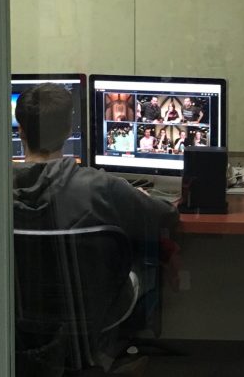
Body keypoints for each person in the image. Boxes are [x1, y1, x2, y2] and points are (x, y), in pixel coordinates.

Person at [13, 84, 179, 344]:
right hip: (95, 309)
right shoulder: (102, 187)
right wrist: (139, 198)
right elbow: (165, 217)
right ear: (69, 130)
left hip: (21, 309)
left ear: (20, 130)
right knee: (147, 259)